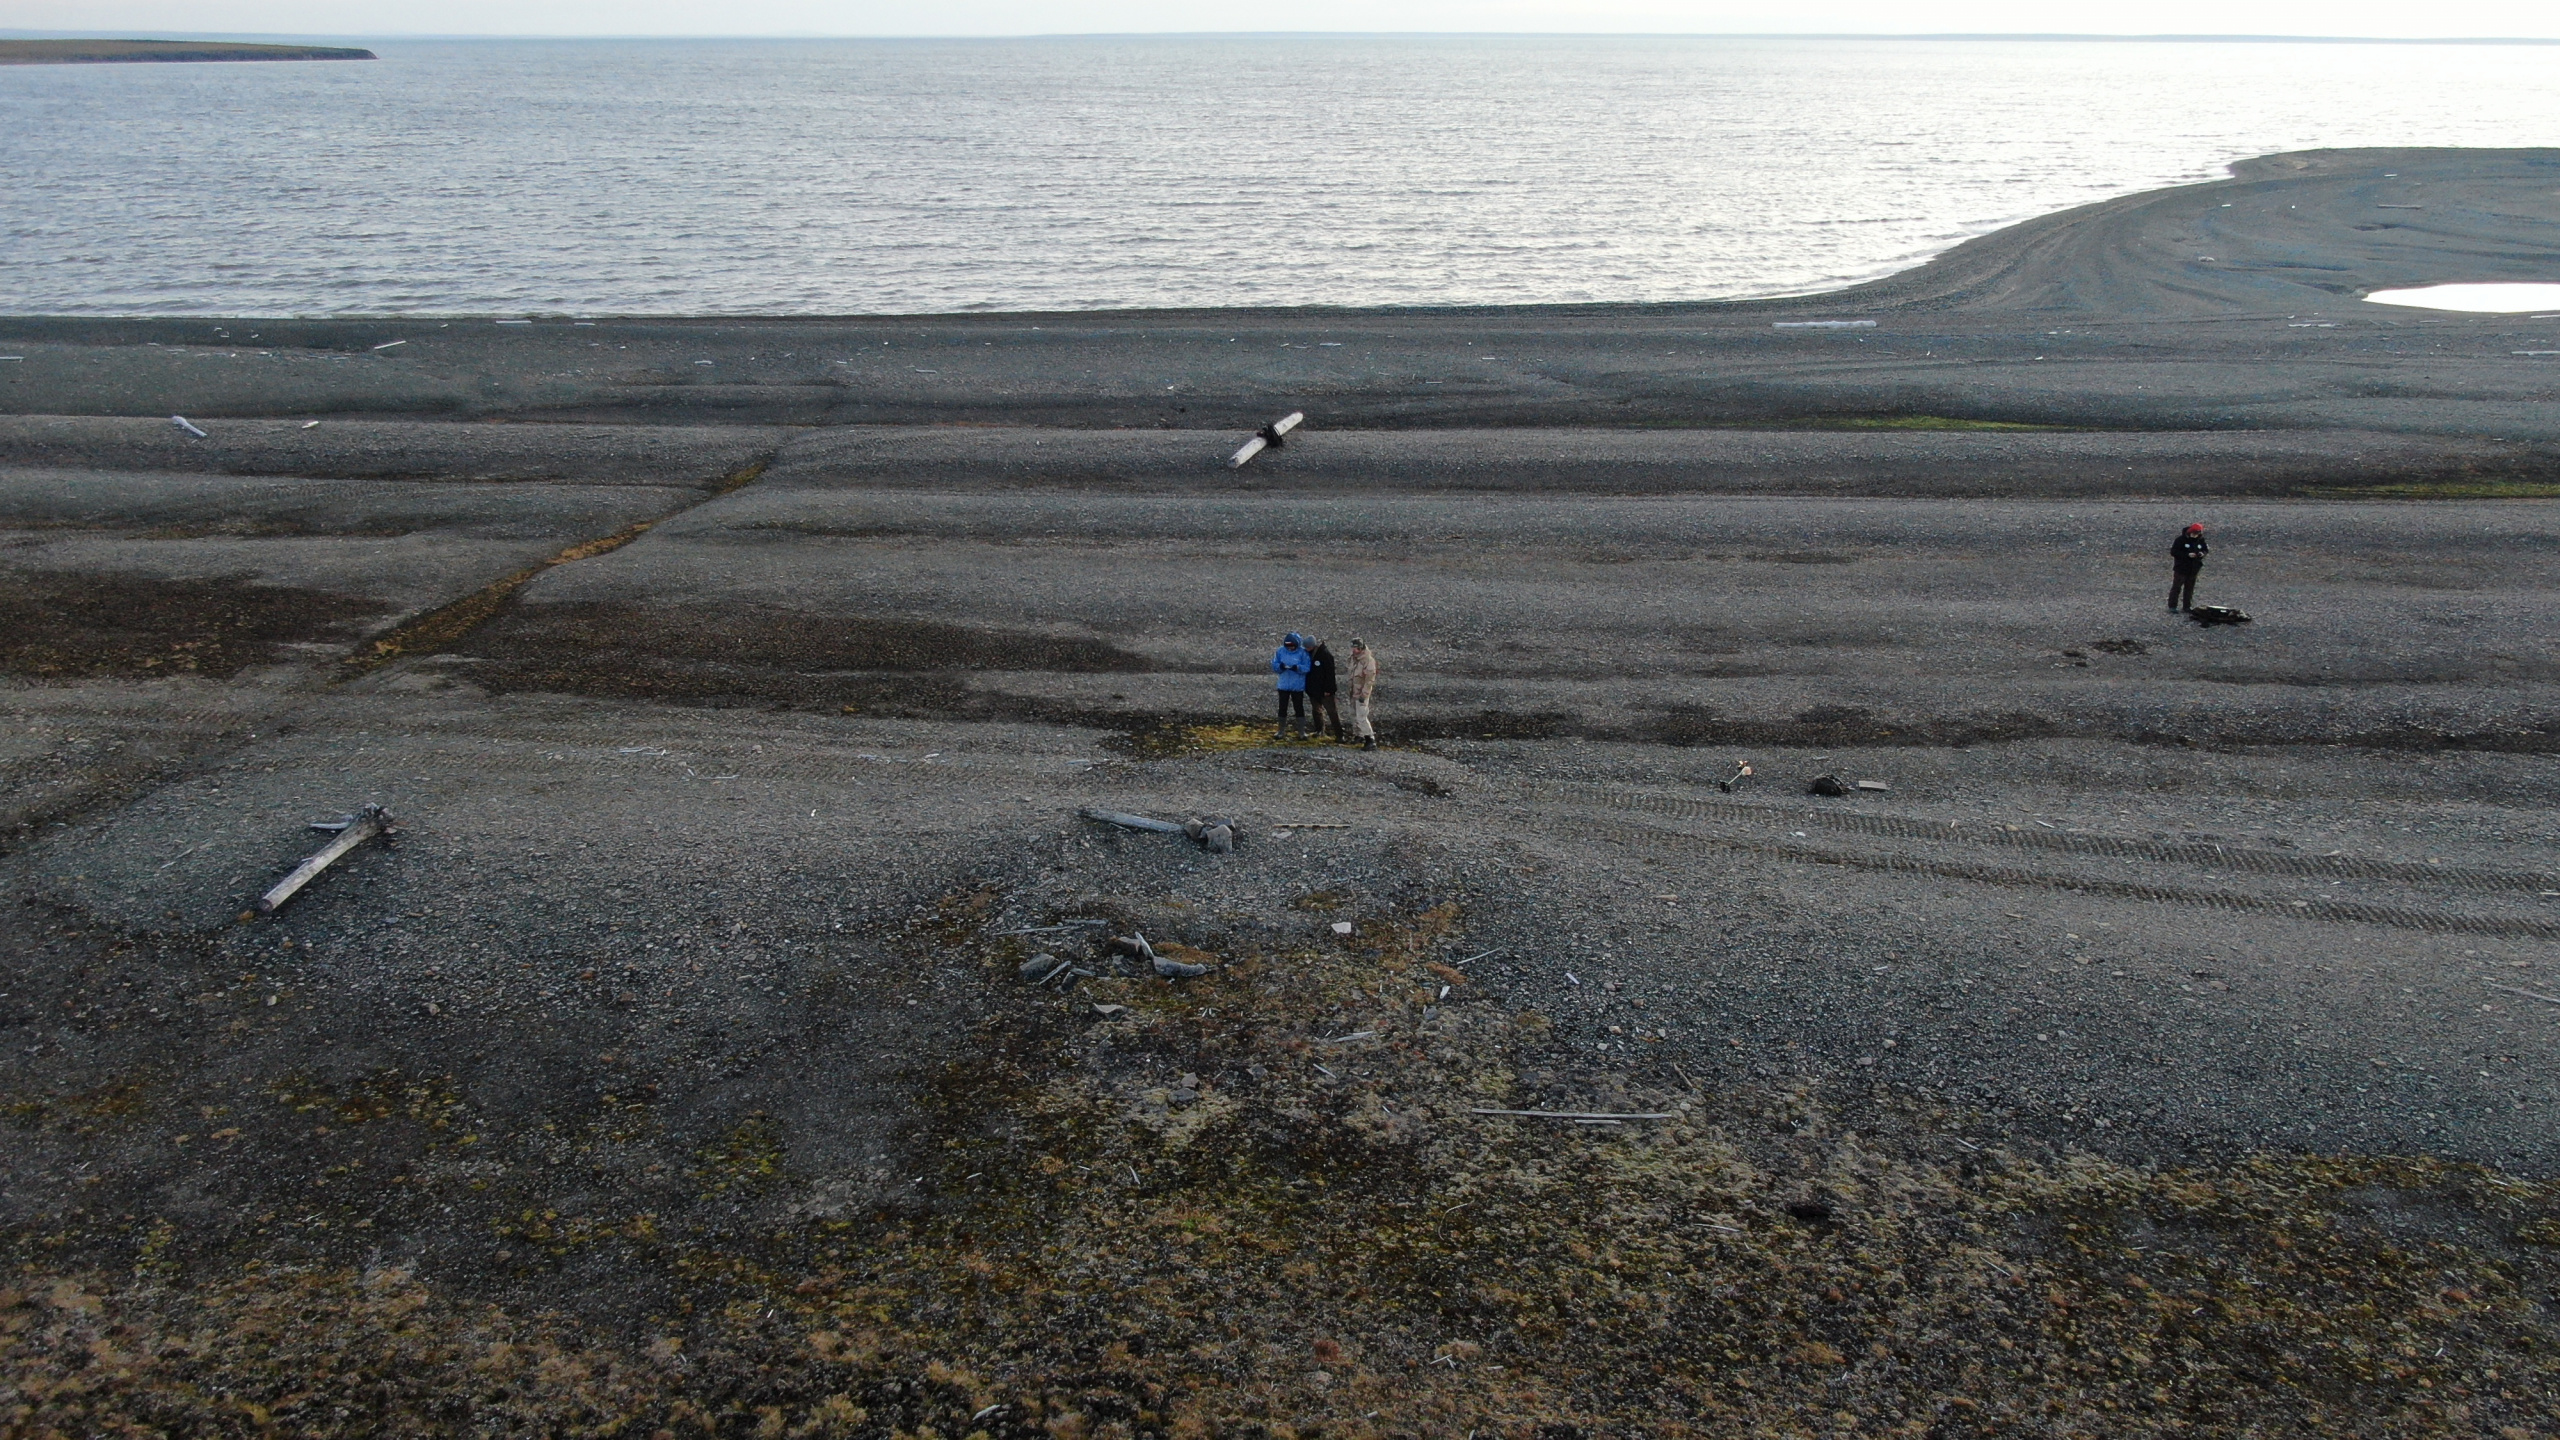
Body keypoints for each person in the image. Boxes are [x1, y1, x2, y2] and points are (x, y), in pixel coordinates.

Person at [1271, 632, 1311, 736]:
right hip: (1283, 685)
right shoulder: (1280, 651)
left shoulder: (1303, 653)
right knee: (1282, 708)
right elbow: (1274, 665)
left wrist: (1297, 668)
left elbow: (1307, 667)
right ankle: (1281, 731)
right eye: (1288, 646)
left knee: (1299, 708)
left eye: (1292, 646)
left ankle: (1302, 732)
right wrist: (1281, 667)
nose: (1290, 648)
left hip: (1297, 686)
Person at [1345, 638, 1380, 750]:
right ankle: (1358, 735)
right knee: (1353, 714)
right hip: (1353, 691)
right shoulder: (1353, 659)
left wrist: (1364, 695)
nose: (1353, 650)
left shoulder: (1368, 661)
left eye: (1355, 648)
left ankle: (1370, 739)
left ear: (1360, 648)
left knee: (1362, 716)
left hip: (1361, 694)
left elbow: (1369, 681)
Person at [2169, 522, 2209, 612]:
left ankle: (2187, 606)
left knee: (2189, 588)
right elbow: (2174, 552)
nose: (2195, 536)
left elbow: (2205, 549)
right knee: (2177, 587)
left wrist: (2202, 554)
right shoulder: (2180, 540)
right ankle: (2172, 606)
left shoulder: (2201, 540)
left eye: (2197, 534)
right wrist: (2187, 555)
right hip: (2181, 568)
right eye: (2194, 533)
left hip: (2194, 569)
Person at [1306, 640, 1342, 740]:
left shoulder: (1325, 655)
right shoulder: (1309, 654)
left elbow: (1330, 675)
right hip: (1314, 690)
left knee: (1332, 712)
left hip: (1325, 691)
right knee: (1316, 711)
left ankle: (1339, 735)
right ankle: (1319, 730)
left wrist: (1329, 690)